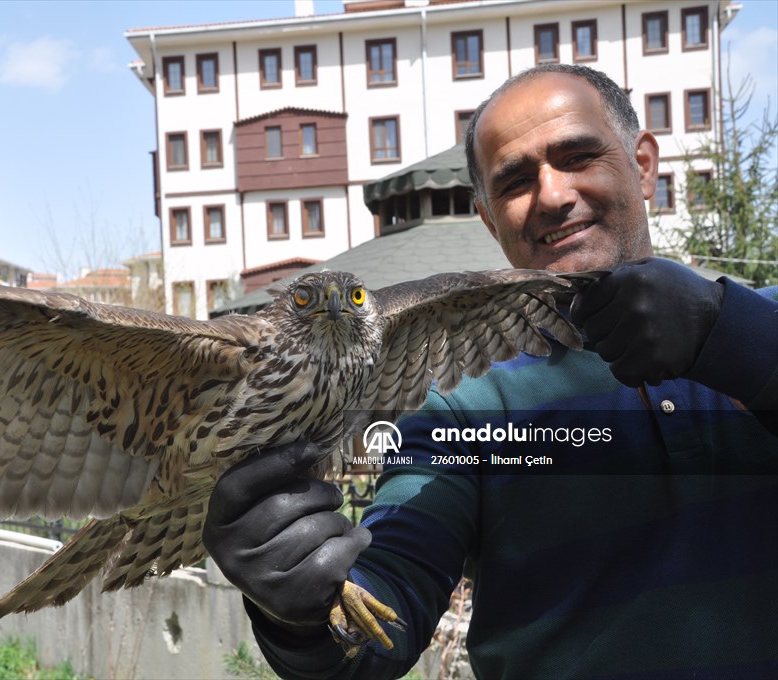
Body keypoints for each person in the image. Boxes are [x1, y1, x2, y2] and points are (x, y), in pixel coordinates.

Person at [202, 64, 778, 679]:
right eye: (515, 181)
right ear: (488, 218)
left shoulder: (761, 320)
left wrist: (732, 335)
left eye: (578, 155)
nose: (553, 195)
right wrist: (302, 610)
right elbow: (386, 605)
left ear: (641, 164)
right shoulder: (464, 405)